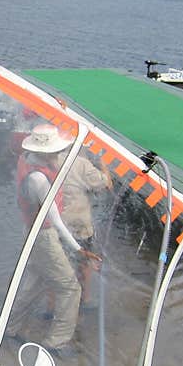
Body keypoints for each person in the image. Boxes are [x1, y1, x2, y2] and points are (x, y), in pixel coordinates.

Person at [16, 123, 97, 349]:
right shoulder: (38, 180)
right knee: (70, 287)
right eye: (55, 151)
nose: (59, 154)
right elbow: (56, 220)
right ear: (47, 152)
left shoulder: (26, 160)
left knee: (35, 282)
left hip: (32, 231)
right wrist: (78, 249)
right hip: (43, 235)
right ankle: (57, 343)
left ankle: (11, 328)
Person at [61, 150, 112, 308]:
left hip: (57, 221)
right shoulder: (82, 164)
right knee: (84, 261)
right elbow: (107, 184)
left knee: (60, 262)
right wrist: (103, 163)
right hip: (79, 222)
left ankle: (54, 304)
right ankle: (85, 299)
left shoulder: (53, 160)